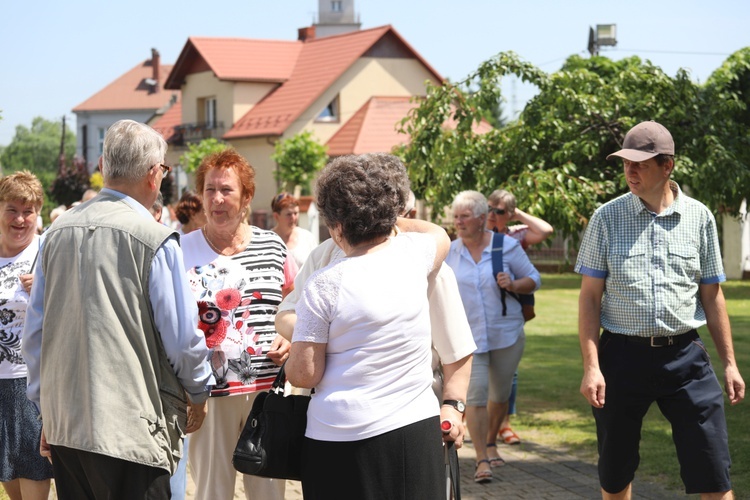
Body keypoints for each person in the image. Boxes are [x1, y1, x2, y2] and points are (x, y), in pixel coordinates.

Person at [21, 119, 214, 499]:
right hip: (133, 431)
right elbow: (181, 339)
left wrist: (48, 410)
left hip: (69, 428)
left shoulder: (56, 233)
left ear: (103, 168)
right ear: (153, 175)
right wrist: (199, 391)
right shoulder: (156, 239)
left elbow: (35, 335)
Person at [576, 120, 745, 499]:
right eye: (625, 163)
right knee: (615, 473)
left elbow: (712, 296)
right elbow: (589, 297)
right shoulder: (606, 218)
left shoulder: (699, 217)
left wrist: (730, 363)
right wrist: (592, 366)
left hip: (686, 358)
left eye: (640, 164)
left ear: (667, 166)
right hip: (621, 357)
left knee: (714, 469)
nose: (630, 172)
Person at [285, 153, 457, 499]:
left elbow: (304, 374)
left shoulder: (324, 283)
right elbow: (439, 233)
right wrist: (387, 217)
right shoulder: (415, 258)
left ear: (336, 226)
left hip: (339, 434)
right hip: (414, 428)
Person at [181, 149, 292, 500]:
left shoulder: (273, 246)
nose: (217, 199)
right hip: (208, 397)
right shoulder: (180, 251)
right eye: (209, 189)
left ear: (246, 196)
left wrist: (287, 338)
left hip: (268, 393)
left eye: (227, 190)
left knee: (270, 492)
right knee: (212, 492)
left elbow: (292, 305)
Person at [445, 190, 541, 483]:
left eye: (464, 216)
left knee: (499, 395)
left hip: (505, 334)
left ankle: (490, 441)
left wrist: (513, 284)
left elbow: (534, 279)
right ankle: (481, 459)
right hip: (468, 338)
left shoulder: (506, 246)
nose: (458, 222)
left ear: (480, 218)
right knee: (474, 397)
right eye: (456, 217)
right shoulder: (450, 251)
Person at [487, 188, 554, 445]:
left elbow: (545, 230)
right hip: (480, 310)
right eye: (489, 208)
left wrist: (518, 214)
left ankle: (503, 425)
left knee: (508, 373)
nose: (492, 214)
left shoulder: (515, 236)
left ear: (510, 214)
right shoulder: (475, 234)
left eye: (499, 211)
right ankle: (478, 423)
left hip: (509, 309)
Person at [0, 172, 53, 500]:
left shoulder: (47, 251)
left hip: (31, 385)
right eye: (12, 210)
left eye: (28, 210)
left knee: (34, 476)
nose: (20, 219)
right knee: (9, 480)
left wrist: (49, 290)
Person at [270, 192, 317, 268]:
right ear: (276, 216)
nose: (293, 218)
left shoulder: (307, 238)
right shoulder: (268, 240)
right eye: (288, 214)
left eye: (296, 213)